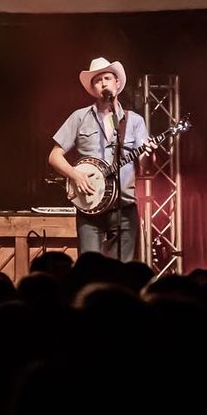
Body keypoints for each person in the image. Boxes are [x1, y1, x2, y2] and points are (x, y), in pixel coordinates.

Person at [49, 57, 154, 263]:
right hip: (89, 206)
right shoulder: (79, 117)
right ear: (93, 88)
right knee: (89, 268)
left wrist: (149, 155)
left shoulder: (134, 121)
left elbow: (145, 167)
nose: (104, 83)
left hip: (124, 206)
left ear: (117, 83)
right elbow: (54, 156)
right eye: (98, 80)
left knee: (122, 270)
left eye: (107, 78)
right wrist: (75, 175)